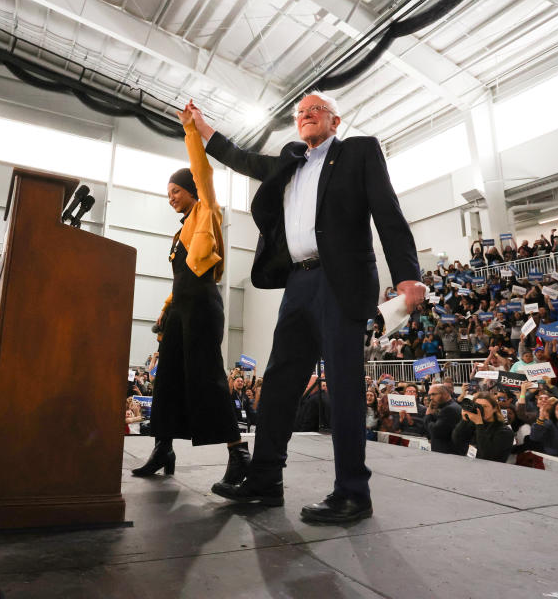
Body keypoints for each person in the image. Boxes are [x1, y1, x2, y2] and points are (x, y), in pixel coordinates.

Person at [193, 92, 423, 523]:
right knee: (279, 380)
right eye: (299, 113)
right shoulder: (290, 158)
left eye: (314, 110)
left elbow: (388, 213)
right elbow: (242, 158)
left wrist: (408, 275)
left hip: (341, 282)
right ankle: (265, 480)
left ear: (336, 122)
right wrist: (203, 129)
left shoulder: (359, 151)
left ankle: (353, 492)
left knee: (344, 385)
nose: (304, 116)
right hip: (298, 281)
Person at [131, 104, 250, 486]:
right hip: (180, 310)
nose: (171, 197)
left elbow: (202, 170)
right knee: (166, 380)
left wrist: (191, 131)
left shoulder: (207, 212)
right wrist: (166, 312)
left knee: (207, 377)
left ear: (192, 191)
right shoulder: (177, 234)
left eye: (176, 190)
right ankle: (163, 448)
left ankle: (238, 454)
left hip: (202, 307)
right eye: (168, 193)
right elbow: (178, 280)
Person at [451, 391, 513, 462]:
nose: (481, 409)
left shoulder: (504, 431)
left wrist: (479, 424)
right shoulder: (473, 424)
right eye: (478, 406)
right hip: (471, 465)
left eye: (485, 406)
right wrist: (464, 420)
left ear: (495, 408)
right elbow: (457, 440)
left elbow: (487, 455)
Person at [424, 383, 468, 455]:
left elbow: (436, 432)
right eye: (430, 395)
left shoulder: (449, 409)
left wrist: (428, 415)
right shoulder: (448, 406)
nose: (431, 398)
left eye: (433, 394)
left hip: (448, 454)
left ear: (445, 394)